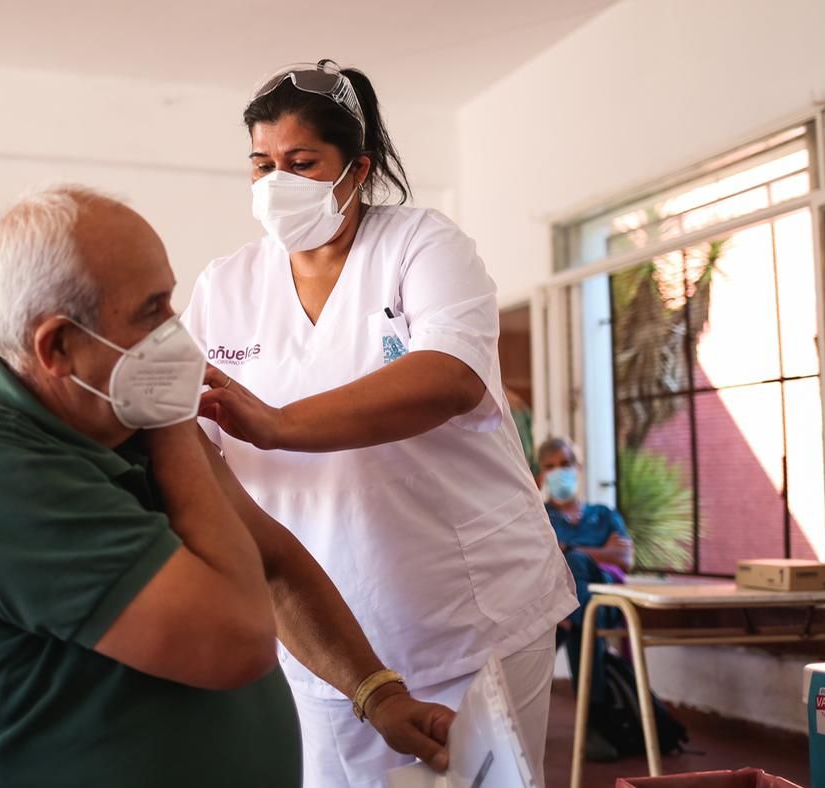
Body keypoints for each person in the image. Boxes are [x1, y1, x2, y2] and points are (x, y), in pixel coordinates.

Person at [0, 186, 454, 788]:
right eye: (151, 312)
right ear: (58, 347)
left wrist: (378, 694)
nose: (178, 334)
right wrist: (173, 420)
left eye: (169, 301)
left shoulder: (117, 416)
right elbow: (236, 642)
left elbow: (272, 565)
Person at [183, 59, 577, 788]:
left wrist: (276, 424)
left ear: (356, 169)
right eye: (262, 165)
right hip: (320, 630)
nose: (277, 183)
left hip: (468, 617)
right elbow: (189, 448)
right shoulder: (225, 286)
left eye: (302, 163)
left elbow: (449, 377)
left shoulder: (422, 245)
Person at [536, 436, 633, 761]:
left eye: (565, 464)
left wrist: (570, 549)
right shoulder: (539, 518)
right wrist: (602, 552)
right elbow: (538, 562)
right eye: (550, 467)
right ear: (541, 476)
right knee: (584, 618)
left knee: (576, 566)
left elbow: (625, 559)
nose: (559, 472)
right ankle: (594, 724)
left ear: (578, 468)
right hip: (566, 604)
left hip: (604, 603)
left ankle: (570, 618)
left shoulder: (603, 514)